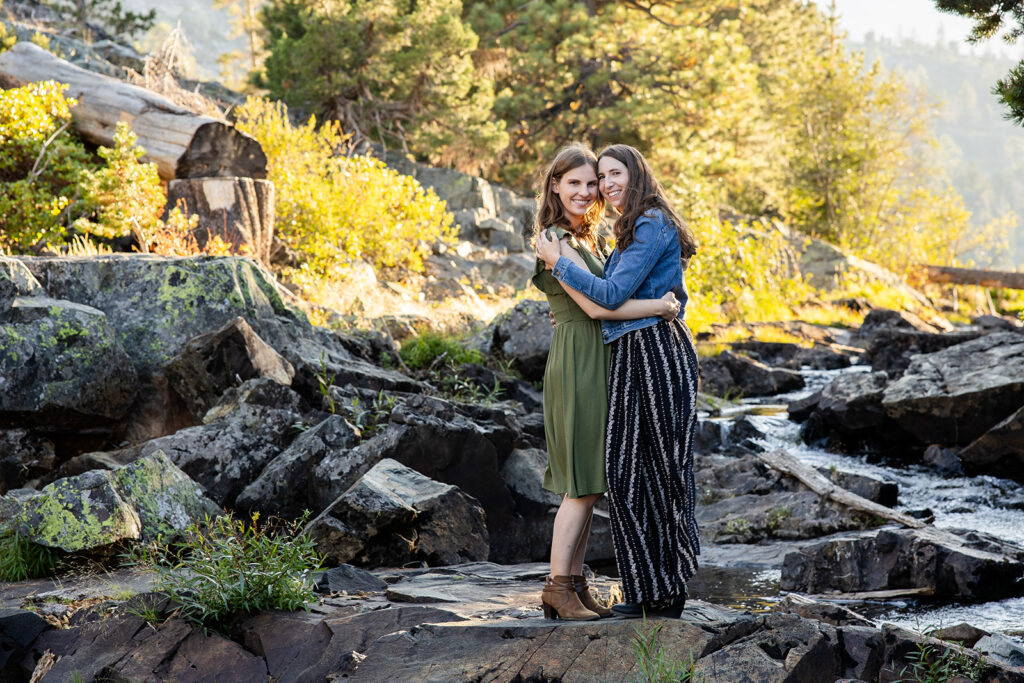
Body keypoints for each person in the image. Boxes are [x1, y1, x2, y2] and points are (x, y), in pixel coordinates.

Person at [536, 143, 700, 619]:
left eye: (606, 177)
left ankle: (645, 590)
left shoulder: (638, 226)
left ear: (635, 174)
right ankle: (573, 586)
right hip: (606, 356)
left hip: (638, 353)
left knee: (631, 476)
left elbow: (604, 298)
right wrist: (658, 305)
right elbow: (597, 303)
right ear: (555, 185)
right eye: (585, 181)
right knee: (611, 478)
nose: (598, 188)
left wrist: (659, 307)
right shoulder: (562, 239)